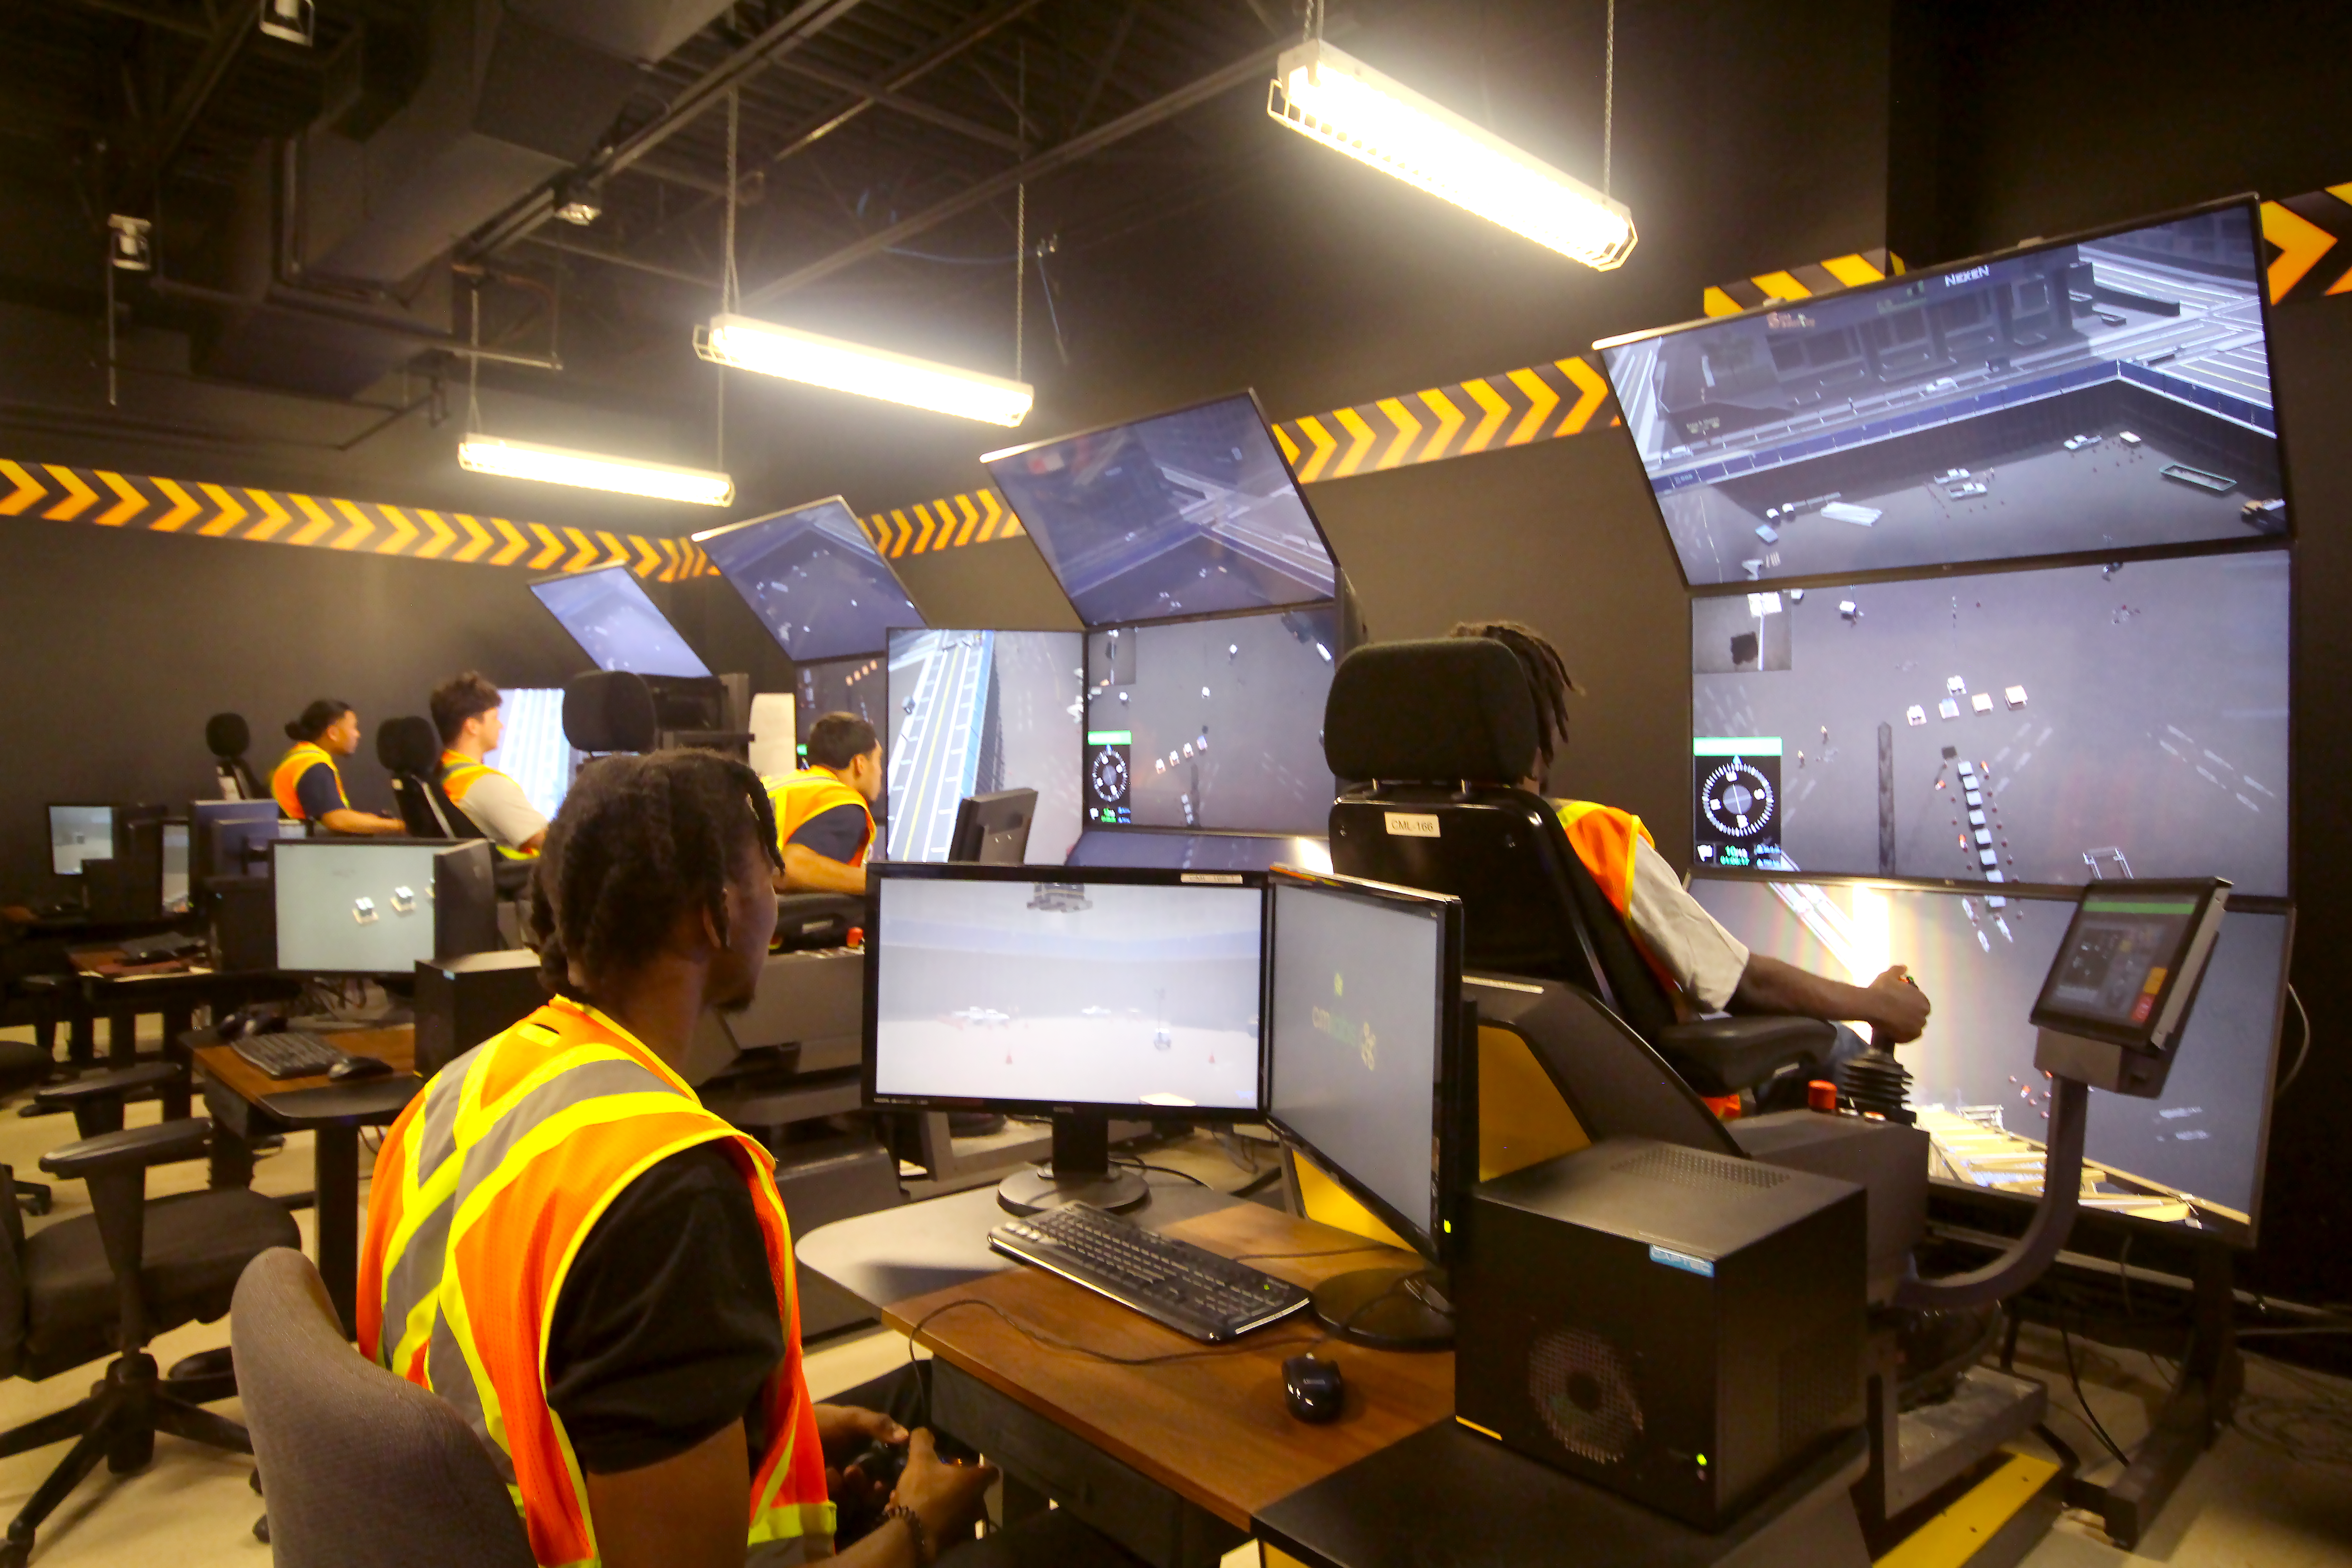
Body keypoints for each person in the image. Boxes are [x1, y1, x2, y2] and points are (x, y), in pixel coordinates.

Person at [358, 750, 1131, 1568]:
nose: (777, 895)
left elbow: (538, 1371)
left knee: (923, 1395)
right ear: (715, 913)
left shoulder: (459, 1089)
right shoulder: (667, 1192)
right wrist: (916, 1527)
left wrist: (761, 1427)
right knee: (1103, 1550)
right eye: (770, 874)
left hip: (506, 1524)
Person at [1449, 621, 1931, 1089]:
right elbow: (1745, 985)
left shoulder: (1395, 841)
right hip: (1653, 1113)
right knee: (1840, 1047)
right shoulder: (1589, 838)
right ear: (1539, 738)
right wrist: (1876, 1005)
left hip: (1498, 1101)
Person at [429, 671, 549, 856]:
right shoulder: (487, 784)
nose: (501, 726)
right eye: (495, 718)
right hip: (523, 880)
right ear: (473, 726)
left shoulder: (443, 774)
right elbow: (551, 841)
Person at [766, 713, 883, 897]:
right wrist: (883, 885)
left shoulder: (778, 785)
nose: (880, 772)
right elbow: (791, 868)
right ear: (860, 764)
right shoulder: (844, 804)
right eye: (878, 761)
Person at [272, 700, 404, 835]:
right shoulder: (313, 766)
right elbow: (337, 820)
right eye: (353, 728)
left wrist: (373, 821)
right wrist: (398, 826)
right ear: (333, 733)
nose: (357, 735)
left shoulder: (301, 756)